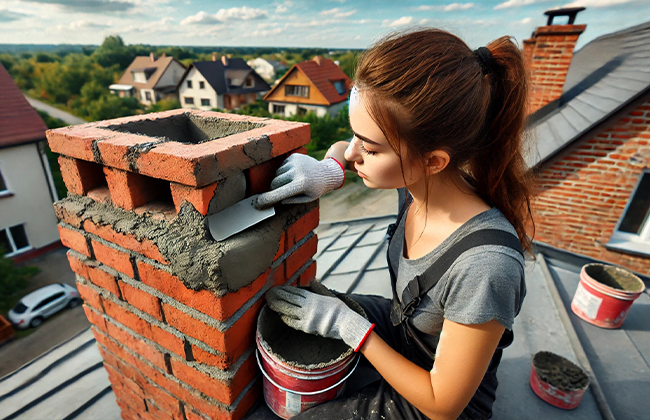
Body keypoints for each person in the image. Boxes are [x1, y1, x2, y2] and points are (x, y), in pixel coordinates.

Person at [257, 28, 534, 420]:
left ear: (433, 160)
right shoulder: (419, 182)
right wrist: (330, 167)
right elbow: (352, 150)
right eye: (354, 137)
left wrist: (351, 330)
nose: (355, 153)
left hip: (437, 399)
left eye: (368, 148)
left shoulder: (487, 266)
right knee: (305, 310)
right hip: (405, 330)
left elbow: (442, 404)